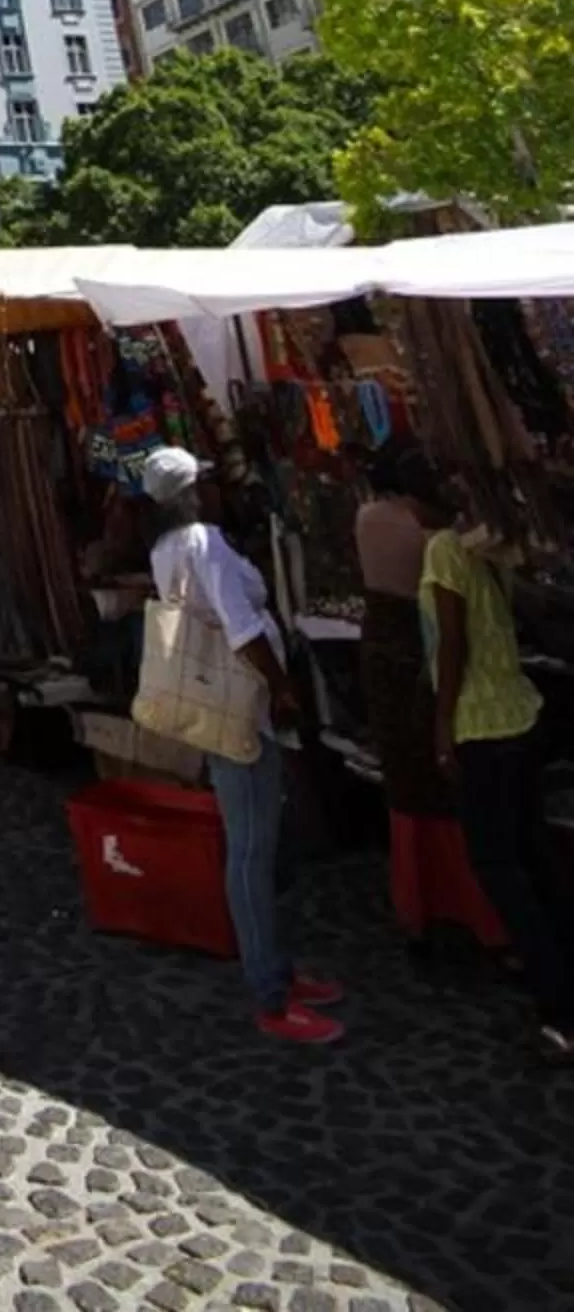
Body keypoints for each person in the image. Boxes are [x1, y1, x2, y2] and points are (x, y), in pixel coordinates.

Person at [138, 444, 344, 1047]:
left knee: (259, 843)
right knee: (253, 850)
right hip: (243, 709)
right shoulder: (204, 543)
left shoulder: (165, 550)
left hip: (217, 705)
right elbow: (242, 626)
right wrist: (282, 688)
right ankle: (270, 992)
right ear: (191, 492)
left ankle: (277, 966)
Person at [421, 479, 574, 1062]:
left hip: (482, 722)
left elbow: (452, 642)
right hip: (516, 713)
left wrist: (442, 725)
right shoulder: (487, 544)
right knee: (534, 858)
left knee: (502, 869)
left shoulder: (444, 550)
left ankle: (558, 1008)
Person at [355, 442, 447, 817]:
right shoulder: (424, 529)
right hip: (417, 643)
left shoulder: (365, 516)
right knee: (429, 760)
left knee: (399, 758)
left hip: (379, 640)